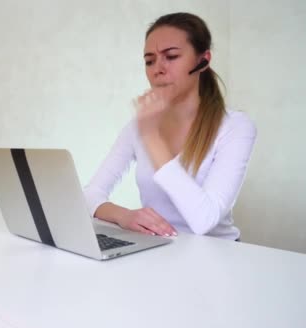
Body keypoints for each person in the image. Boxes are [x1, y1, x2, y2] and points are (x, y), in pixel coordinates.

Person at [83, 12, 256, 241]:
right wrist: (123, 215)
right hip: (159, 251)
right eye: (149, 60)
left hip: (216, 256)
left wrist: (152, 138)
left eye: (171, 56)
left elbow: (204, 220)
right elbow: (89, 195)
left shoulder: (235, 127)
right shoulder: (138, 127)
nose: (158, 69)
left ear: (203, 60)